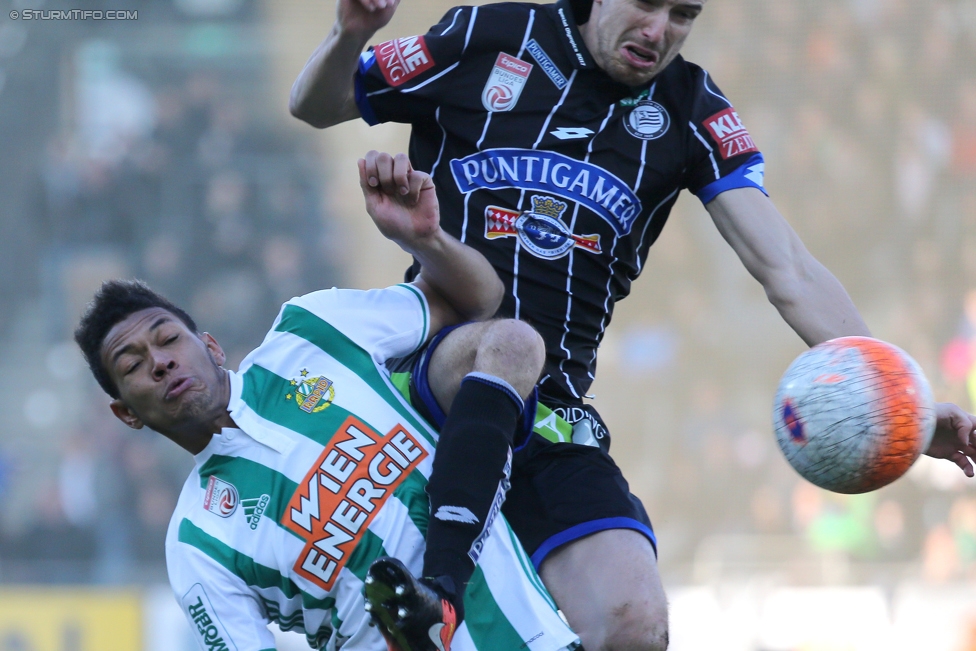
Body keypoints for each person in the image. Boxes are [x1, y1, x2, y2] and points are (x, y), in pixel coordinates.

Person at [290, 0, 976, 648]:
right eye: (646, 4)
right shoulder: (484, 36)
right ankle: (438, 594)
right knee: (508, 343)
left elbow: (787, 266)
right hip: (437, 379)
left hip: (551, 414)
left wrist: (902, 398)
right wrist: (349, 34)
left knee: (634, 624)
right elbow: (317, 105)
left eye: (683, 14)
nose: (661, 29)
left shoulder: (690, 108)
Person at [73, 153, 580, 651]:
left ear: (210, 345)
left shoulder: (310, 331)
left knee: (512, 340)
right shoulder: (195, 544)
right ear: (127, 414)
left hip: (537, 639)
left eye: (167, 339)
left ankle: (443, 591)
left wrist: (424, 241)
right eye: (133, 365)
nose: (160, 362)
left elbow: (479, 299)